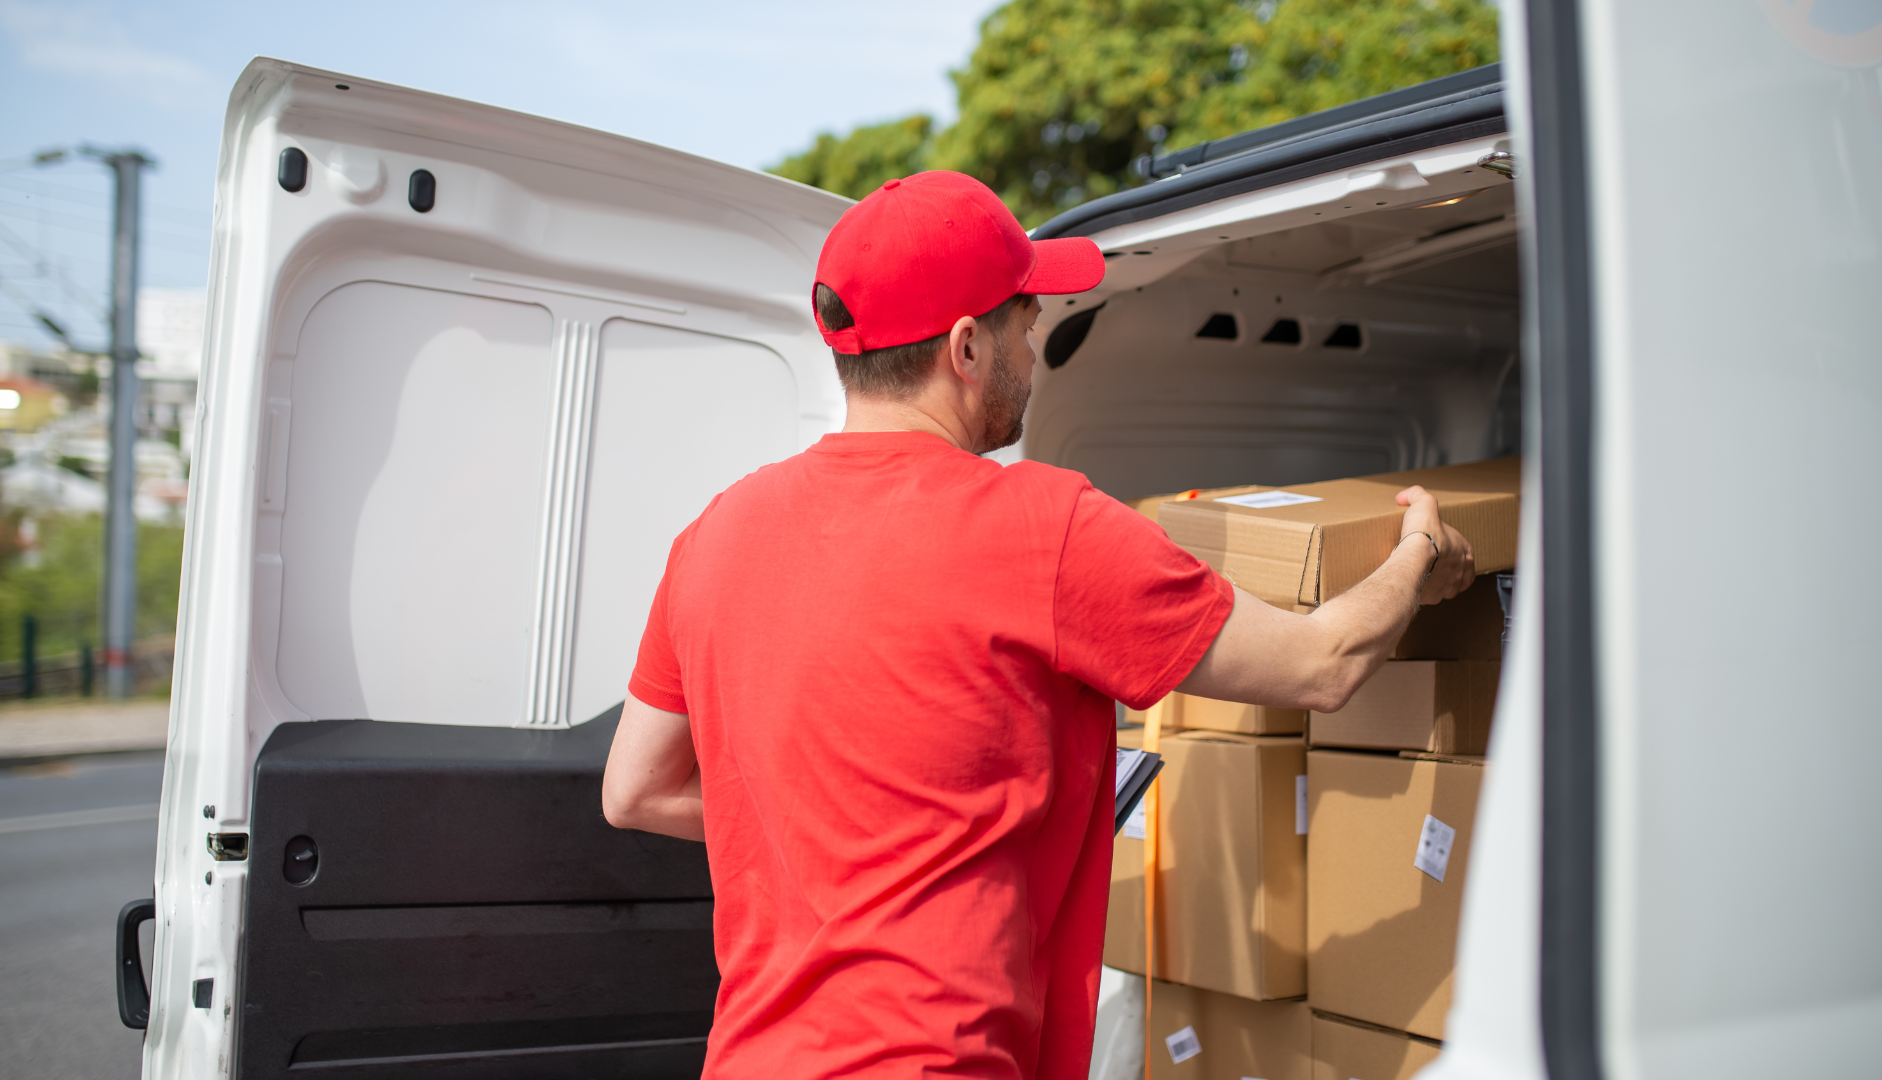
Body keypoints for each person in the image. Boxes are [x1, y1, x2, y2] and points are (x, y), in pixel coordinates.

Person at [601, 171, 1475, 1080]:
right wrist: (1419, 554)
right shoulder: (1044, 527)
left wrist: (841, 833)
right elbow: (1322, 665)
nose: (1040, 340)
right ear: (967, 346)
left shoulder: (713, 535)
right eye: (1029, 319)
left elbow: (634, 790)